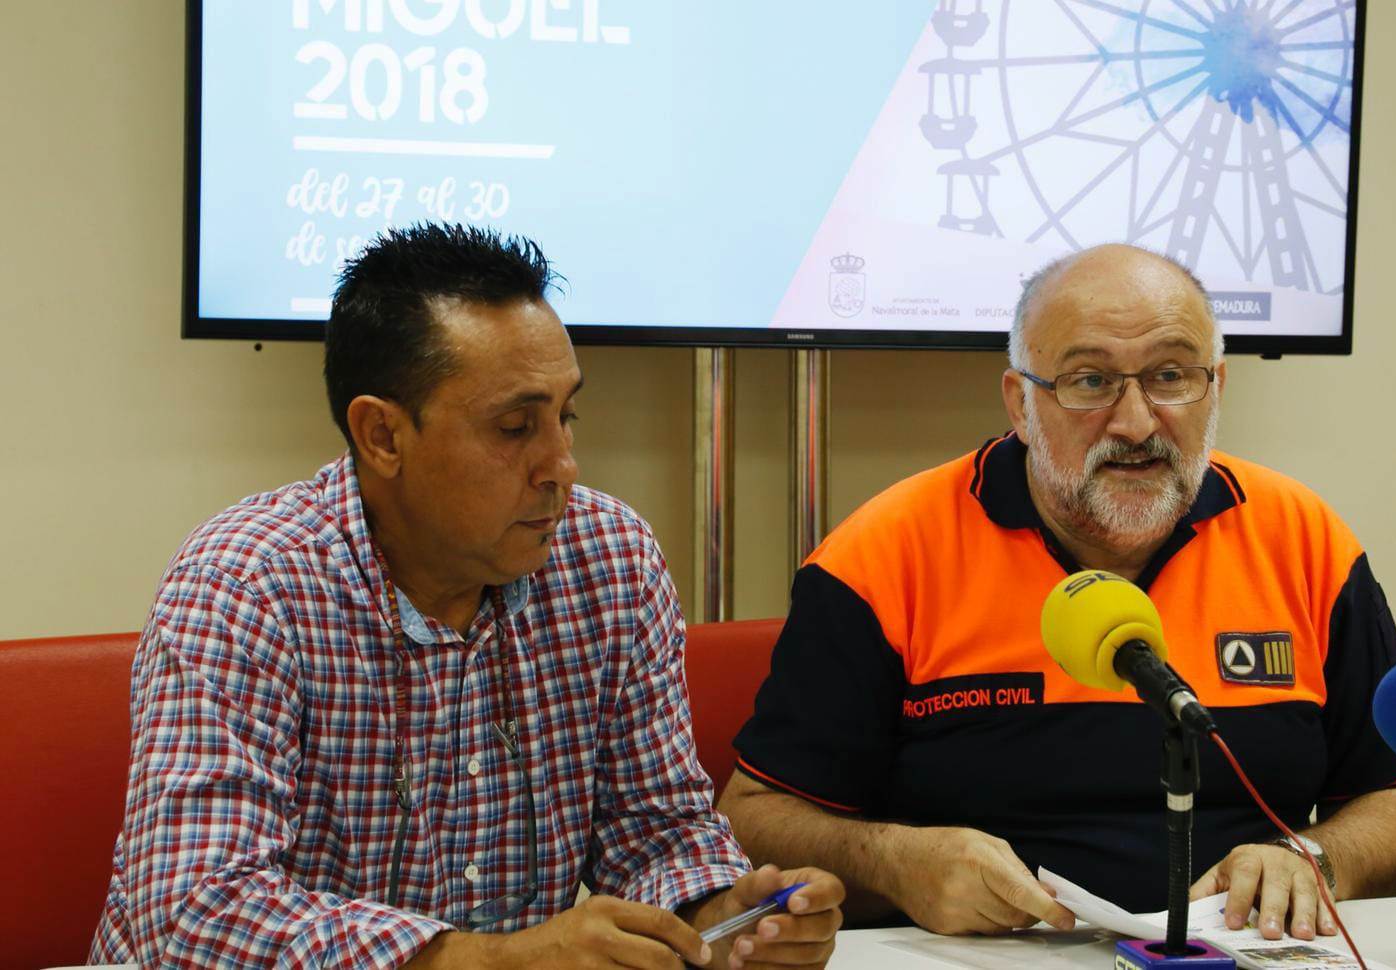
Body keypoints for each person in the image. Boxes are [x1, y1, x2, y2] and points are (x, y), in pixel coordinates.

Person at [88, 224, 843, 969]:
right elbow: (194, 913)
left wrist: (721, 913)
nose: (562, 465)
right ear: (382, 435)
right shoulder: (247, 585)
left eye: (565, 415)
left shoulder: (609, 559)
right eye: (516, 427)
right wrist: (493, 960)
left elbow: (653, 832)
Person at [720, 244, 1396, 943]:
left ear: (1215, 387)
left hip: (1237, 949)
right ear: (1020, 402)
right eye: (1089, 381)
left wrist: (1314, 860)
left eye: (1170, 376)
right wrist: (897, 863)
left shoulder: (1303, 540)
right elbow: (754, 818)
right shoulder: (885, 554)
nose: (1136, 423)